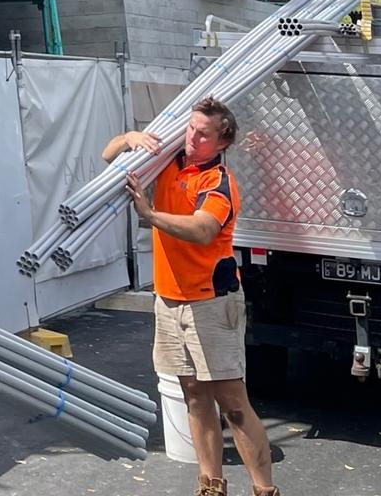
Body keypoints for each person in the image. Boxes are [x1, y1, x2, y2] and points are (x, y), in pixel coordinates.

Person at [102, 96, 279, 496]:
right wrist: (129, 137)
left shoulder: (218, 182)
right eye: (191, 128)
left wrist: (149, 216)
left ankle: (264, 489)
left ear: (222, 143)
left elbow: (201, 230)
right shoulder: (168, 161)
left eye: (203, 134)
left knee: (232, 404)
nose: (192, 138)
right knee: (194, 396)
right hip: (169, 300)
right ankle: (211, 485)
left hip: (211, 304)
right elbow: (108, 155)